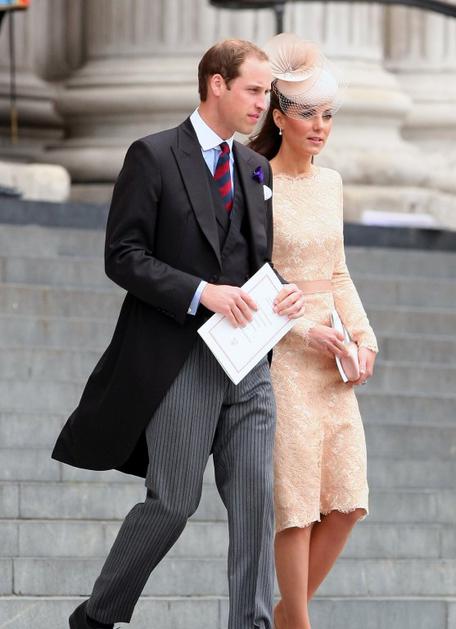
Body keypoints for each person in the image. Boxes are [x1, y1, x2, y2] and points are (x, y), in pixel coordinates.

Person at [52, 39, 306, 629]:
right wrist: (200, 292)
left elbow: (252, 261)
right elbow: (123, 255)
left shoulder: (255, 169)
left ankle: (252, 623)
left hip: (248, 361)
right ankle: (97, 616)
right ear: (217, 84)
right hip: (180, 358)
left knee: (255, 502)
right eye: (253, 90)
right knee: (173, 502)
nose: (263, 104)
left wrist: (283, 291)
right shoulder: (153, 155)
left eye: (267, 93)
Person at [249, 34, 379, 629]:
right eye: (308, 114)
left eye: (327, 115)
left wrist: (364, 338)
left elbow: (338, 271)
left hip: (334, 365)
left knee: (348, 503)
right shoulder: (256, 183)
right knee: (297, 507)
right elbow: (251, 281)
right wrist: (303, 330)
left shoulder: (331, 184)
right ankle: (299, 623)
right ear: (279, 117)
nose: (321, 127)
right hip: (285, 360)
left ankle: (284, 615)